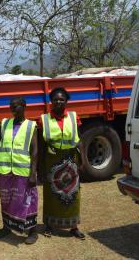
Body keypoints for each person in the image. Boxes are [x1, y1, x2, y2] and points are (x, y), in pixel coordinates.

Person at [39, 87, 86, 239]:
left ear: (66, 101)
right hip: (51, 161)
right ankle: (49, 225)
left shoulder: (73, 117)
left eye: (62, 99)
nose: (58, 102)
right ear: (51, 101)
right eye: (55, 99)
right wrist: (39, 167)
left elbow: (79, 140)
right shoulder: (44, 119)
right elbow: (40, 145)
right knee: (51, 193)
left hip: (71, 160)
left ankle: (73, 226)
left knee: (72, 193)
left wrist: (83, 161)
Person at [0, 97, 39, 244]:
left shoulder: (31, 126)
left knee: (27, 200)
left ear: (24, 106)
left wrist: (33, 173)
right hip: (6, 170)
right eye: (11, 106)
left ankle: (32, 231)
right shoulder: (5, 123)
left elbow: (34, 151)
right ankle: (7, 227)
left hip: (23, 170)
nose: (13, 109)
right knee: (6, 199)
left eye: (16, 106)